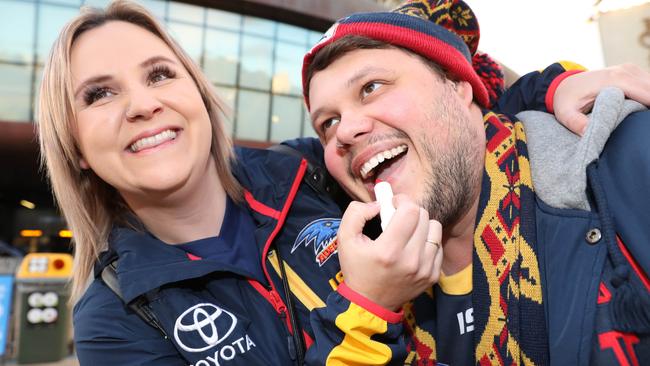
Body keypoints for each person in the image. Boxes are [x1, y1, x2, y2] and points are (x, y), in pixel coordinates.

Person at [37, 1, 445, 365]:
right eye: (99, 94)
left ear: (199, 94)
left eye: (160, 75)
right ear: (76, 149)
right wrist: (366, 307)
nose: (144, 105)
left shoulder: (312, 170)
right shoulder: (112, 321)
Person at [301, 0, 650, 365]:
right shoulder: (350, 284)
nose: (346, 130)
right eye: (328, 123)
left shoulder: (628, 163)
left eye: (372, 87)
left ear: (458, 87)